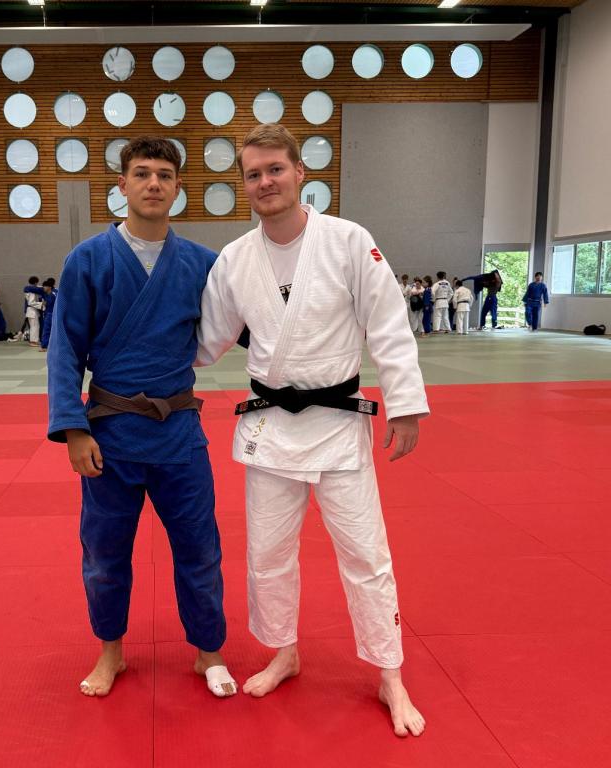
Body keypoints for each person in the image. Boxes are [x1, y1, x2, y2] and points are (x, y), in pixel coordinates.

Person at [196, 124, 427, 737]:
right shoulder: (234, 260)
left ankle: (390, 672)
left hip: (338, 424)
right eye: (253, 174)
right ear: (243, 184)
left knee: (366, 555)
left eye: (275, 169)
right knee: (268, 555)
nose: (265, 182)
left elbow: (388, 323)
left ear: (300, 172)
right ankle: (284, 651)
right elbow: (205, 341)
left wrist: (405, 403)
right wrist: (133, 362)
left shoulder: (349, 241)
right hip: (271, 428)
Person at [47, 136, 236, 700]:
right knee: (105, 553)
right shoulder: (87, 260)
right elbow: (65, 349)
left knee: (200, 548)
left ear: (178, 189)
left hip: (179, 433)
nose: (153, 183)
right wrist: (73, 428)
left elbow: (251, 327)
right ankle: (111, 651)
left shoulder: (204, 264)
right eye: (142, 173)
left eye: (164, 175)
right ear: (122, 184)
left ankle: (208, 651)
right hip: (111, 434)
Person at [25, 278, 58, 351]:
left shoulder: (54, 294)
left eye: (45, 286)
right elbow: (28, 288)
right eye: (43, 286)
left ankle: (47, 345)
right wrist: (43, 304)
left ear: (49, 287)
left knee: (49, 330)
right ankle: (45, 345)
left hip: (52, 314)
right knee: (46, 330)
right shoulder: (46, 293)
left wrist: (43, 304)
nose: (43, 288)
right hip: (48, 313)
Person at [24, 276, 44, 347]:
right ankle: (33, 341)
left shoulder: (30, 289)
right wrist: (41, 304)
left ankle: (35, 340)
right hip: (32, 311)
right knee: (34, 327)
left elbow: (40, 287)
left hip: (33, 311)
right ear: (36, 282)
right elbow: (31, 302)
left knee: (36, 326)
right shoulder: (32, 291)